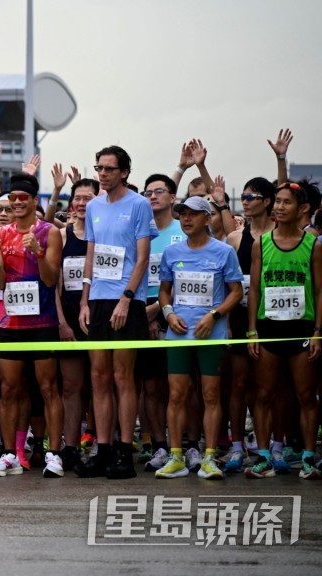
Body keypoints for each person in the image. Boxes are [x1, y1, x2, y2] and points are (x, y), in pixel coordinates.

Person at [77, 145, 157, 479]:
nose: (103, 174)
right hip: (97, 299)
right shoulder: (94, 206)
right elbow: (91, 255)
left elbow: (141, 258)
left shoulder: (138, 205)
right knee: (99, 377)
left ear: (124, 172)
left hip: (127, 300)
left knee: (124, 376)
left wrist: (126, 298)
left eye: (109, 168)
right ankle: (104, 447)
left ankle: (125, 449)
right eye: (99, 168)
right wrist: (84, 299)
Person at [154, 196, 243, 479]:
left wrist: (213, 316)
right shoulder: (172, 252)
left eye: (193, 214)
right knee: (177, 394)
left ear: (208, 218)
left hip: (211, 334)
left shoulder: (224, 251)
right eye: (182, 214)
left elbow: (236, 292)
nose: (186, 219)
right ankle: (177, 456)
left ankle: (209, 458)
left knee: (210, 396)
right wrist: (168, 314)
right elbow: (164, 291)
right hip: (178, 334)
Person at [0, 179, 64, 477]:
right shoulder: (2, 233)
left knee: (48, 388)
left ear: (34, 200)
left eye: (22, 198)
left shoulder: (50, 232)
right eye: (12, 198)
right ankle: (9, 454)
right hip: (12, 323)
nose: (16, 203)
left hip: (43, 322)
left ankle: (54, 453)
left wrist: (38, 251)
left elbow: (49, 280)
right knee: (8, 390)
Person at [246, 181, 322, 479]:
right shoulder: (261, 244)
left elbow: (319, 290)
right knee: (264, 394)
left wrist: (317, 331)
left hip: (302, 330)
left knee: (305, 395)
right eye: (276, 201)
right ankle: (263, 456)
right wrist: (252, 330)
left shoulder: (313, 245)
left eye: (286, 202)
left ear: (302, 208)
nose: (279, 207)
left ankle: (307, 457)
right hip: (268, 330)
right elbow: (253, 289)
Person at [222, 177, 276, 473]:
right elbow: (228, 286)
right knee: (239, 384)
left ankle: (271, 447)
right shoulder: (234, 238)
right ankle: (237, 446)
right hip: (241, 318)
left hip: (274, 319)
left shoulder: (280, 236)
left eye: (252, 196)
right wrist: (228, 321)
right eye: (242, 195)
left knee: (268, 387)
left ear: (267, 201)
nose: (245, 200)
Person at [139, 173, 186, 472]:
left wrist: (162, 309)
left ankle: (188, 446)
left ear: (172, 197)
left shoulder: (185, 230)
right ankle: (158, 445)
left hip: (182, 314)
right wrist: (150, 313)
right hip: (144, 314)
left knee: (184, 388)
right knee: (152, 387)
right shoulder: (138, 232)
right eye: (148, 192)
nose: (153, 196)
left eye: (160, 191)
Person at [55, 176, 98, 471]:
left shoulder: (106, 234)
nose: (82, 204)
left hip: (100, 315)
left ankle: (100, 444)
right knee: (71, 386)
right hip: (68, 316)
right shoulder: (61, 236)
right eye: (78, 199)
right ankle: (69, 447)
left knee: (100, 384)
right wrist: (61, 323)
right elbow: (54, 287)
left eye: (88, 198)